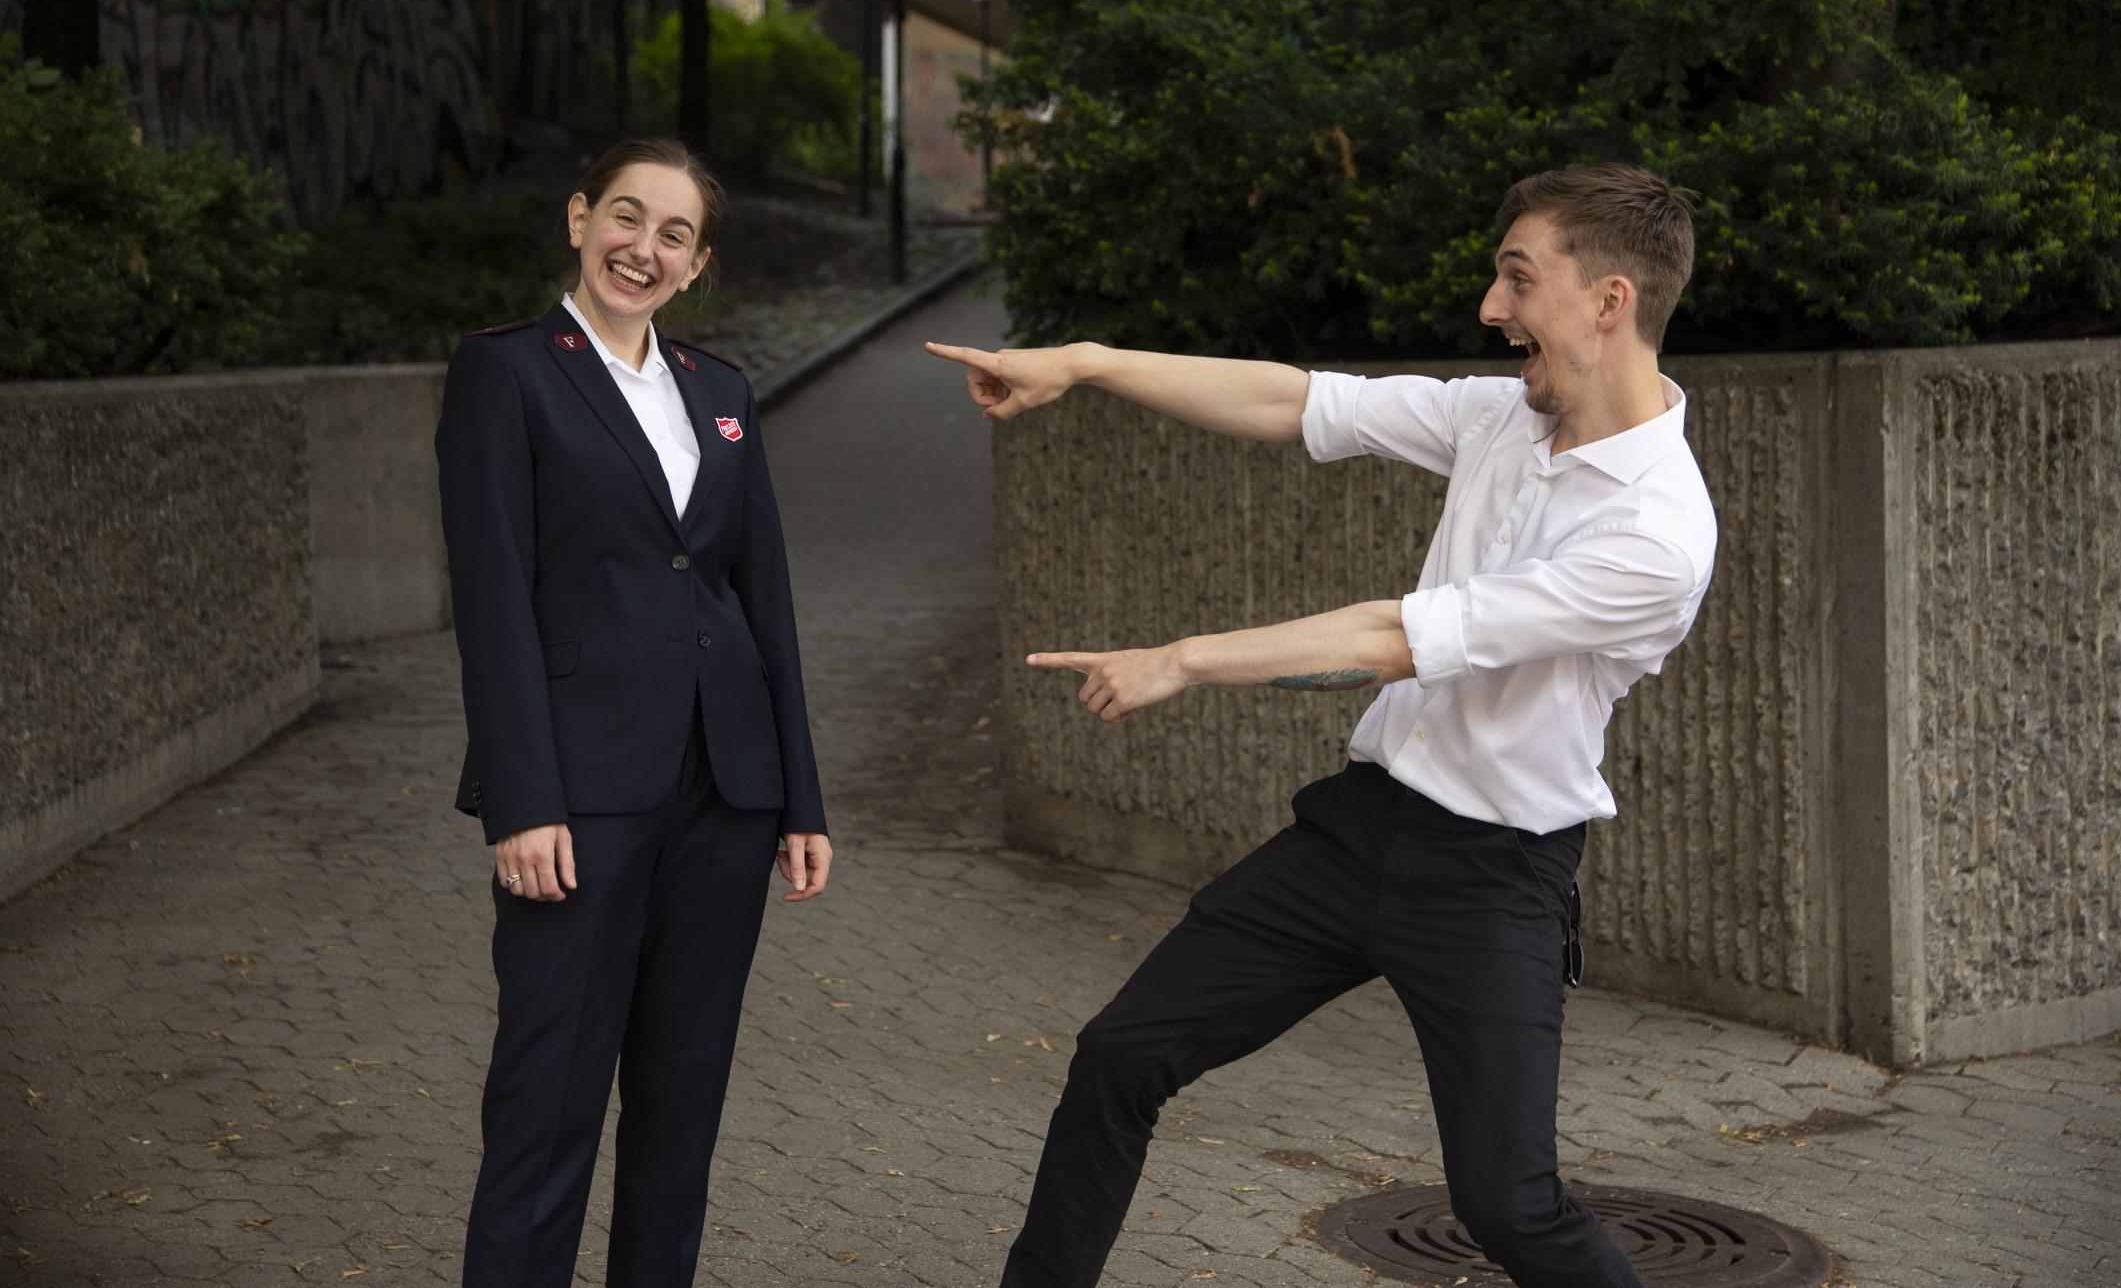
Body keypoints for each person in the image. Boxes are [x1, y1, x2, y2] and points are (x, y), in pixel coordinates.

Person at [926, 162, 1715, 1288]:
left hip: (1493, 877)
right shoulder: (1501, 420)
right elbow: (1297, 401)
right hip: (1360, 832)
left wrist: (1181, 659)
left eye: (1516, 278)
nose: (1491, 307)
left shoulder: (1658, 533)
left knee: (1510, 1206)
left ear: (1610, 299)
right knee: (1120, 1056)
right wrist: (1087, 362)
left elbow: (1395, 638)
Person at [437, 137, 832, 1288]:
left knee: (681, 1105)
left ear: (696, 264)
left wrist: (799, 797)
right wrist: (522, 800)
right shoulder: (506, 373)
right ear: (579, 219)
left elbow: (764, 601)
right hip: (579, 797)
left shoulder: (722, 392)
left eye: (673, 234)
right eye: (625, 216)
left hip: (725, 794)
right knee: (546, 1100)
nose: (642, 248)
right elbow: (493, 600)